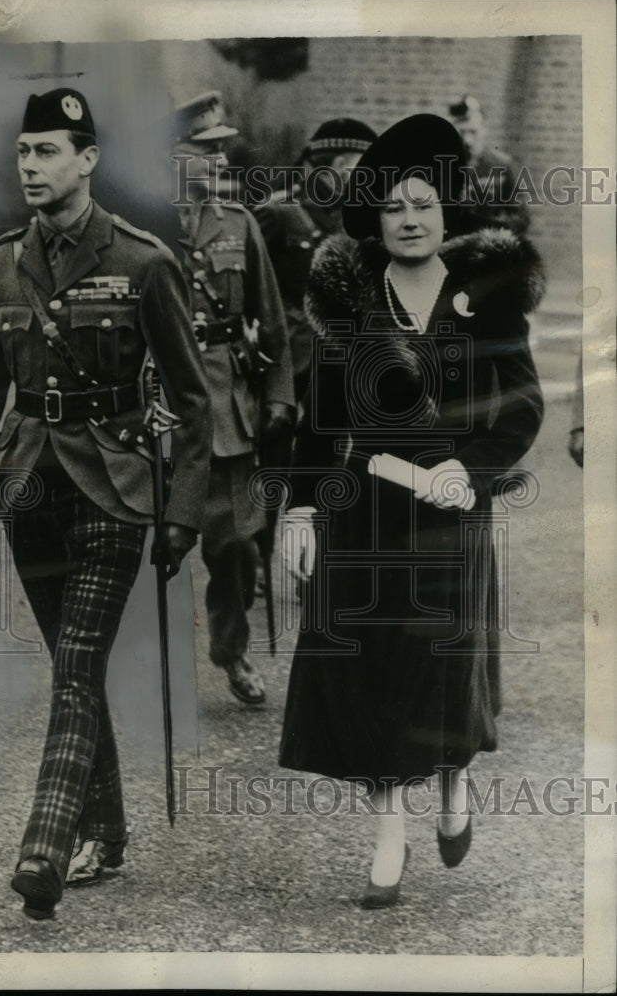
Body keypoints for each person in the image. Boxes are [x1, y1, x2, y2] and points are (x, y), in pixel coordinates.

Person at [0, 88, 212, 919]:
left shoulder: (143, 261)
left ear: (87, 160)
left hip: (115, 488)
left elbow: (195, 401)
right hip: (30, 488)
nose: (31, 166)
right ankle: (109, 832)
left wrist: (183, 512)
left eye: (48, 151)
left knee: (79, 665)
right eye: (24, 152)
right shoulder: (1, 263)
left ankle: (45, 847)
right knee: (71, 668)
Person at [280, 114, 545, 906]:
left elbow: (522, 406)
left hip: (451, 508)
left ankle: (455, 780)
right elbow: (321, 420)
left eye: (423, 203)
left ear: (447, 211)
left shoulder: (485, 301)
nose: (408, 218)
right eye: (393, 205)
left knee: (443, 665)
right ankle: (388, 836)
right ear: (374, 217)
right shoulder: (350, 303)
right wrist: (299, 512)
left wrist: (472, 468)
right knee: (370, 673)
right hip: (365, 511)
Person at [169, 90, 295, 705]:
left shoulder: (239, 224)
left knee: (237, 546)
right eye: (206, 149)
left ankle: (232, 650)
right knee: (137, 551)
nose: (222, 159)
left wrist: (278, 395)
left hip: (226, 412)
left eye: (224, 147)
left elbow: (270, 318)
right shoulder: (136, 227)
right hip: (158, 413)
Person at [254, 118, 378, 405]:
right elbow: (250, 282)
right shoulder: (279, 211)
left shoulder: (353, 214)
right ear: (340, 166)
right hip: (289, 361)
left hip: (341, 361)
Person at [448, 94, 530, 235]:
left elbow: (521, 218)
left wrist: (491, 224)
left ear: (484, 130)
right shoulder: (442, 165)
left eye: (473, 132)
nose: (467, 140)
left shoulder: (501, 165)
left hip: (484, 246)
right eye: (461, 132)